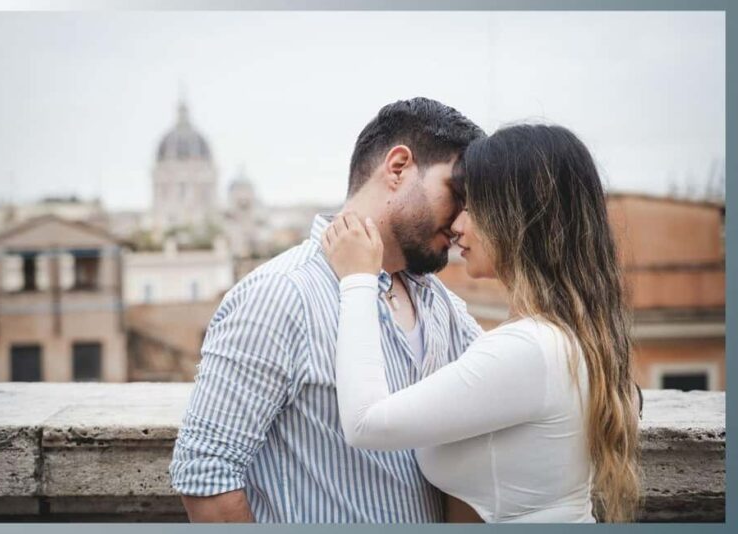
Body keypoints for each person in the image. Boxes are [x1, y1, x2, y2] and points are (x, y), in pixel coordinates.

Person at [169, 97, 487, 522]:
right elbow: (207, 476)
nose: (463, 219)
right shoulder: (280, 295)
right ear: (398, 168)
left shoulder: (441, 302)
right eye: (457, 193)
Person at [322, 124, 642, 523]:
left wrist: (357, 280)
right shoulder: (559, 336)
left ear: (521, 216)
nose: (457, 225)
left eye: (472, 206)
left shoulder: (530, 349)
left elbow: (364, 423)